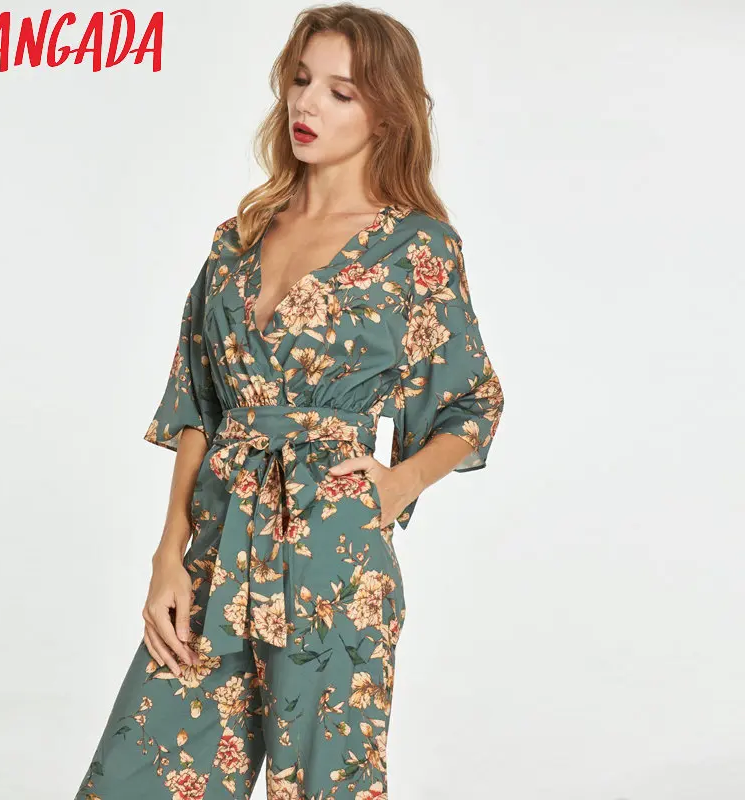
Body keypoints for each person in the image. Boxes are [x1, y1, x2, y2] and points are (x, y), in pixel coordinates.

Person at [73, 4, 504, 798]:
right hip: (217, 545)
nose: (307, 104)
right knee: (140, 778)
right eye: (302, 81)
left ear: (386, 113)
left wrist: (398, 485)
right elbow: (199, 403)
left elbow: (471, 402)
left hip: (332, 552)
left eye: (341, 91)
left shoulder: (417, 248)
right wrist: (169, 554)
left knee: (323, 787)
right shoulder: (238, 237)